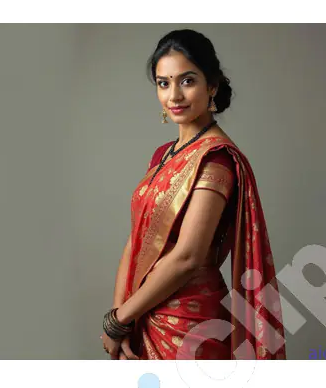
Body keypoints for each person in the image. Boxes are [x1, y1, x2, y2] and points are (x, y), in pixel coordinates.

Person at [100, 29, 286, 360]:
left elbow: (188, 257)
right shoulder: (162, 155)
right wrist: (120, 318)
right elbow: (137, 240)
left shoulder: (215, 158)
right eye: (163, 83)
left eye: (187, 81)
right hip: (141, 315)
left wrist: (120, 319)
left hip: (190, 327)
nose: (174, 95)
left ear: (211, 85)